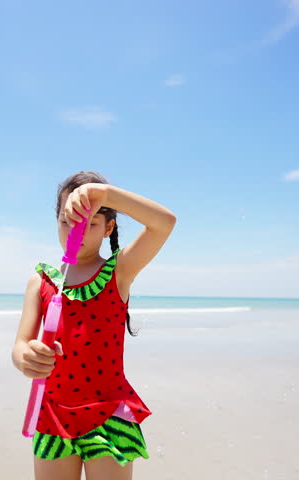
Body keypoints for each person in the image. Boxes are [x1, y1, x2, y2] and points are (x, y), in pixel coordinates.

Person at [12, 171, 176, 480]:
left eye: (89, 223)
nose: (76, 231)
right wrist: (26, 358)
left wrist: (105, 194)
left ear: (108, 228)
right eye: (66, 221)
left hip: (109, 414)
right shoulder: (42, 281)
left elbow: (164, 223)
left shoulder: (119, 271)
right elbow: (20, 344)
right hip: (52, 415)